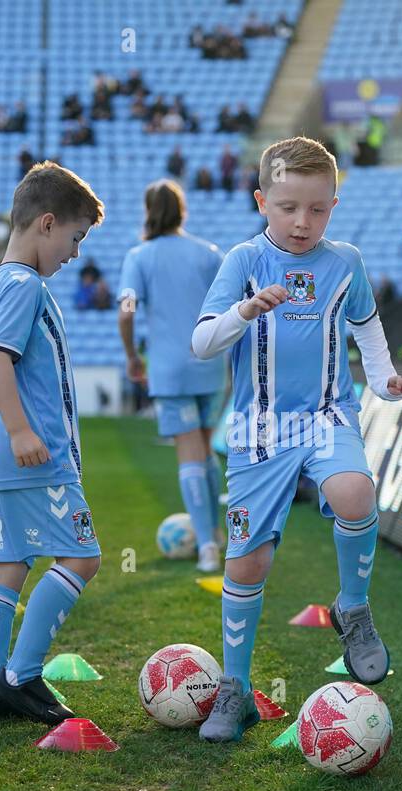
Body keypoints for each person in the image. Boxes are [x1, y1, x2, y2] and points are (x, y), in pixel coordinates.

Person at [191, 136, 402, 742]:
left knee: (355, 494)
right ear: (262, 200)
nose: (302, 222)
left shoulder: (345, 262)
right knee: (248, 561)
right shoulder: (243, 260)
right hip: (258, 428)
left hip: (327, 416)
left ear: (334, 206)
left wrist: (383, 378)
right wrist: (243, 313)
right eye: (289, 207)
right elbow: (201, 342)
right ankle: (234, 689)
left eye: (317, 210)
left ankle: (352, 609)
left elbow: (367, 327)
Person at [0, 162, 105, 725]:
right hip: (33, 456)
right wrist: (21, 431)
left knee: (7, 567)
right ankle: (19, 677)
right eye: (75, 238)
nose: (74, 254)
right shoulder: (24, 284)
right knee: (82, 555)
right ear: (46, 224)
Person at [118, 180, 227, 572]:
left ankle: (206, 550)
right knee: (204, 446)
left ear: (148, 212)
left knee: (189, 453)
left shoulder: (139, 256)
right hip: (211, 363)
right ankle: (215, 533)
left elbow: (127, 310)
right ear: (182, 211)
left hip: (169, 369)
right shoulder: (209, 254)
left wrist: (133, 356)